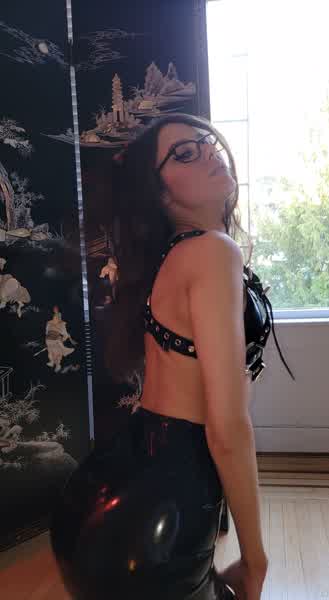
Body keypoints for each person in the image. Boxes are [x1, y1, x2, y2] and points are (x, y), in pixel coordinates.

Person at [49, 112, 295, 599]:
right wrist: (255, 560)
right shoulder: (210, 252)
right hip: (156, 515)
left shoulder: (179, 256)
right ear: (160, 193)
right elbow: (227, 429)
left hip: (106, 499)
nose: (208, 152)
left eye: (206, 142)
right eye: (184, 153)